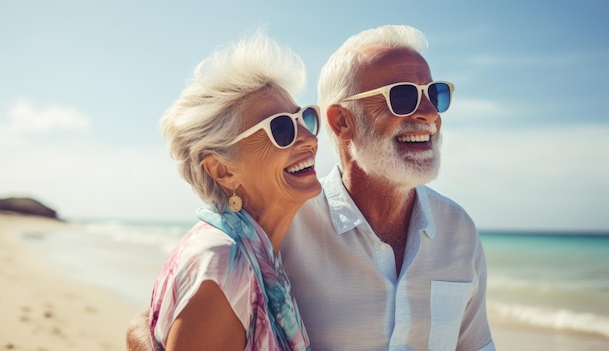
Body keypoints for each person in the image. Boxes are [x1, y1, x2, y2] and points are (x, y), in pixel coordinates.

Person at [127, 24, 495, 351]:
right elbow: (159, 319)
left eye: (436, 94)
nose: (430, 113)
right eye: (402, 96)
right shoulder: (273, 226)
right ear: (341, 121)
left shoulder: (459, 230)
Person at [143, 31, 321, 351]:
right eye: (282, 128)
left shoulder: (255, 254)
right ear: (223, 170)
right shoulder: (224, 263)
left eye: (305, 118)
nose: (309, 138)